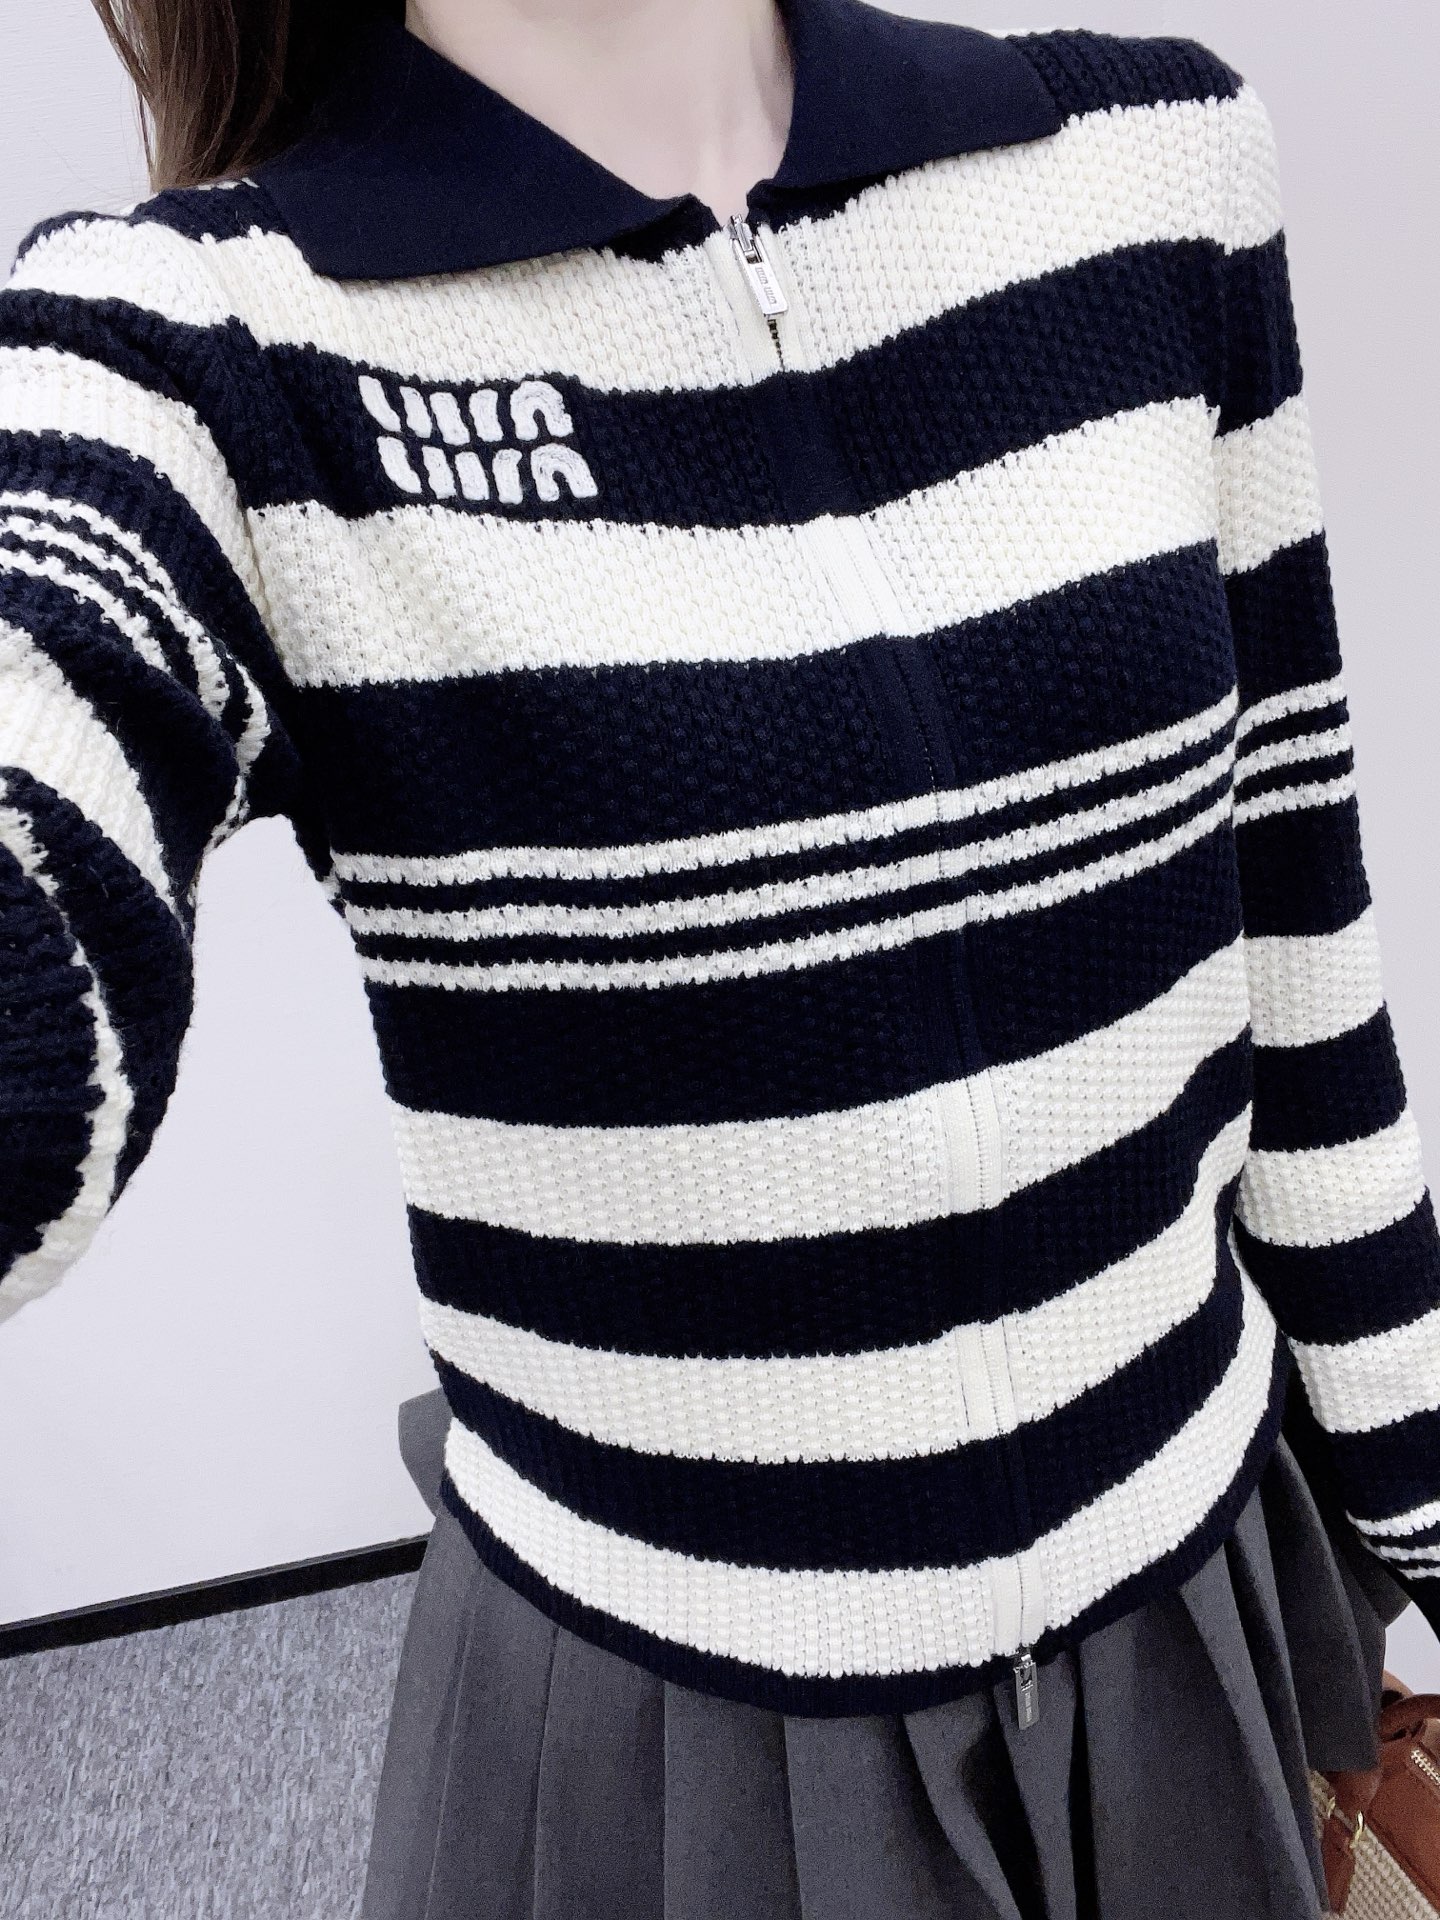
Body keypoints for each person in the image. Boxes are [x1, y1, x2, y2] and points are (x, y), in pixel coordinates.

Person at [2, 0, 1436, 1912]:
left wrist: (1417, 1490)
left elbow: (1300, 924)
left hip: (1192, 1623)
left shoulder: (1150, 164)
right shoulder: (190, 345)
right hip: (663, 1736)